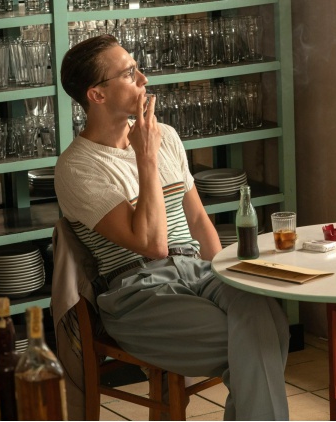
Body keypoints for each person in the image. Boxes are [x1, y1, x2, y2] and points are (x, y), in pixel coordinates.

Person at [55, 34, 290, 420]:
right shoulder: (77, 167)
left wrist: (228, 276)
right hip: (138, 290)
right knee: (261, 339)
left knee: (263, 308)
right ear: (96, 94)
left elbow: (198, 221)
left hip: (198, 271)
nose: (143, 79)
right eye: (129, 73)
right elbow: (153, 245)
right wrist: (145, 156)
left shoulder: (167, 138)